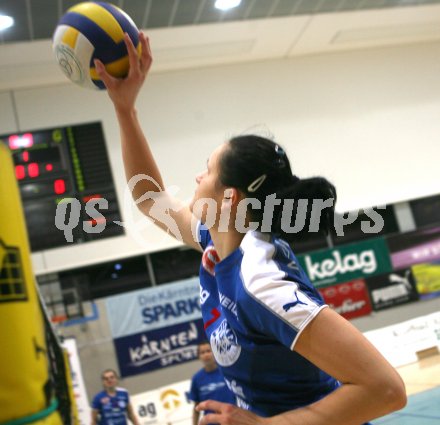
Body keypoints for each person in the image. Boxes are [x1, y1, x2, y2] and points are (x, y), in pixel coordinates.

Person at [95, 31, 407, 425]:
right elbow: (150, 200)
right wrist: (125, 110)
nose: (195, 177)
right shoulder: (218, 243)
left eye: (206, 170)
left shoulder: (262, 282)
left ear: (230, 199)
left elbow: (386, 390)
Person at [188, 341, 236, 425]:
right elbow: (196, 408)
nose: (206, 355)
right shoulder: (196, 379)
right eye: (202, 352)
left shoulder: (228, 371)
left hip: (233, 420)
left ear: (214, 352)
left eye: (208, 351)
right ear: (199, 356)